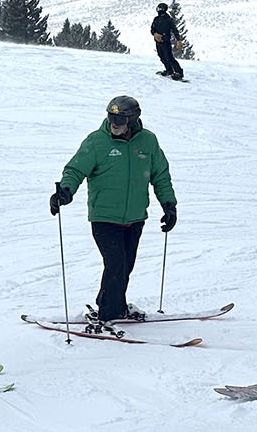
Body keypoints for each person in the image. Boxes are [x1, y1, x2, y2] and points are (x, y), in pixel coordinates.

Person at [50, 95, 177, 326]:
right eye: (111, 117)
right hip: (104, 218)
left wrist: (169, 205)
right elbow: (75, 170)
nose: (114, 123)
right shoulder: (97, 142)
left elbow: (160, 175)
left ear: (133, 119)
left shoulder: (148, 142)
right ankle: (110, 313)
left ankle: (109, 302)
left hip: (135, 217)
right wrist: (65, 191)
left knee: (125, 266)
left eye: (120, 118)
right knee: (116, 263)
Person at [150, 2, 185, 80]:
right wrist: (155, 34)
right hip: (158, 41)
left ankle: (179, 72)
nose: (158, 10)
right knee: (161, 56)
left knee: (169, 57)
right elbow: (152, 29)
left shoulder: (168, 19)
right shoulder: (156, 19)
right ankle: (169, 70)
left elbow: (174, 30)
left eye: (159, 8)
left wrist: (178, 40)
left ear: (163, 9)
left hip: (166, 41)